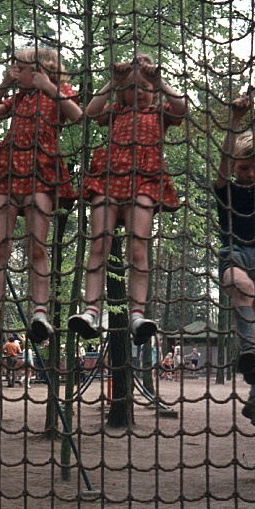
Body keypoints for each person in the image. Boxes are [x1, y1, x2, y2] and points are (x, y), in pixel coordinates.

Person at [69, 54, 187, 346]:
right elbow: (91, 113)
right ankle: (92, 311)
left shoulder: (159, 111)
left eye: (144, 87)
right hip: (109, 176)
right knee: (99, 243)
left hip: (144, 180)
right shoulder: (116, 111)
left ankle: (137, 314)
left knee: (138, 247)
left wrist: (159, 80)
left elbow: (182, 109)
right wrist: (113, 81)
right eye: (131, 87)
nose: (138, 92)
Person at [0, 46, 82, 346]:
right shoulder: (18, 96)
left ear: (38, 69)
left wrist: (48, 87)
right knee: (0, 248)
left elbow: (77, 115)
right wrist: (4, 85)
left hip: (41, 170)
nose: (14, 71)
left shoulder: (58, 90)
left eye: (18, 68)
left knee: (37, 247)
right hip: (8, 171)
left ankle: (39, 314)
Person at [214, 93, 255, 428]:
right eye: (245, 168)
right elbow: (224, 160)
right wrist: (234, 120)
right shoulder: (226, 190)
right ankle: (247, 352)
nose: (251, 174)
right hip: (237, 251)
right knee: (237, 282)